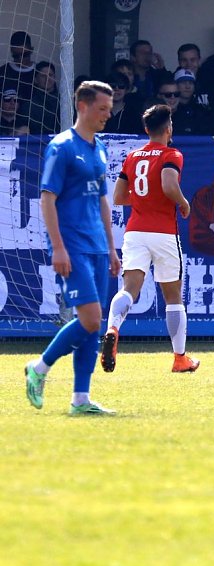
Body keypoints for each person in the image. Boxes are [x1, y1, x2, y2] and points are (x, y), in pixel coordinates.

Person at [24, 80, 121, 415]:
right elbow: (47, 198)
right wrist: (58, 248)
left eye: (109, 109)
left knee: (93, 323)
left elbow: (103, 200)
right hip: (72, 245)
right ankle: (39, 368)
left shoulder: (100, 147)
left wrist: (111, 247)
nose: (107, 115)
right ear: (82, 106)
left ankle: (81, 399)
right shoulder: (61, 146)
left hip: (97, 246)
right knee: (91, 319)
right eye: (102, 109)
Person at [103, 104, 200, 374]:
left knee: (129, 289)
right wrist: (183, 202)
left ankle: (112, 328)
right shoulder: (172, 154)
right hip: (164, 233)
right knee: (173, 297)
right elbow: (169, 185)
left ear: (147, 130)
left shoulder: (133, 157)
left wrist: (143, 198)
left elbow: (119, 197)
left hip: (135, 232)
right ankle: (180, 359)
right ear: (169, 128)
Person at [0, 31, 36, 102]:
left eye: (24, 55)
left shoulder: (42, 72)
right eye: (16, 55)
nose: (20, 59)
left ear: (31, 50)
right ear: (11, 51)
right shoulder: (2, 72)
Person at [28, 61, 60, 134]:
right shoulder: (28, 105)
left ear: (55, 78)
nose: (47, 78)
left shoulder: (65, 102)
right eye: (43, 76)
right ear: (35, 79)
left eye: (50, 75)